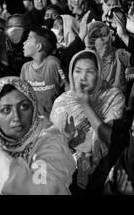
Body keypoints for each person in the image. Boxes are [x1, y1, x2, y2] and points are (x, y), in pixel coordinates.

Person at [0, 77, 75, 195]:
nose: (17, 117)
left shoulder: (49, 139)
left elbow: (43, 190)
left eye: (24, 107)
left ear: (33, 107)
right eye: (6, 110)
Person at [50, 50, 125, 192]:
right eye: (77, 71)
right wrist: (66, 137)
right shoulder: (62, 101)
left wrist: (85, 105)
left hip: (103, 170)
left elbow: (112, 139)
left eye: (89, 72)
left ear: (99, 73)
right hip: (69, 170)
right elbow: (52, 146)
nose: (82, 77)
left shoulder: (113, 96)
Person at [20, 28, 67, 118]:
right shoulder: (25, 68)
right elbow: (23, 94)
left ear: (39, 46)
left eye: (28, 39)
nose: (24, 43)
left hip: (58, 117)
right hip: (38, 120)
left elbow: (68, 88)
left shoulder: (53, 63)